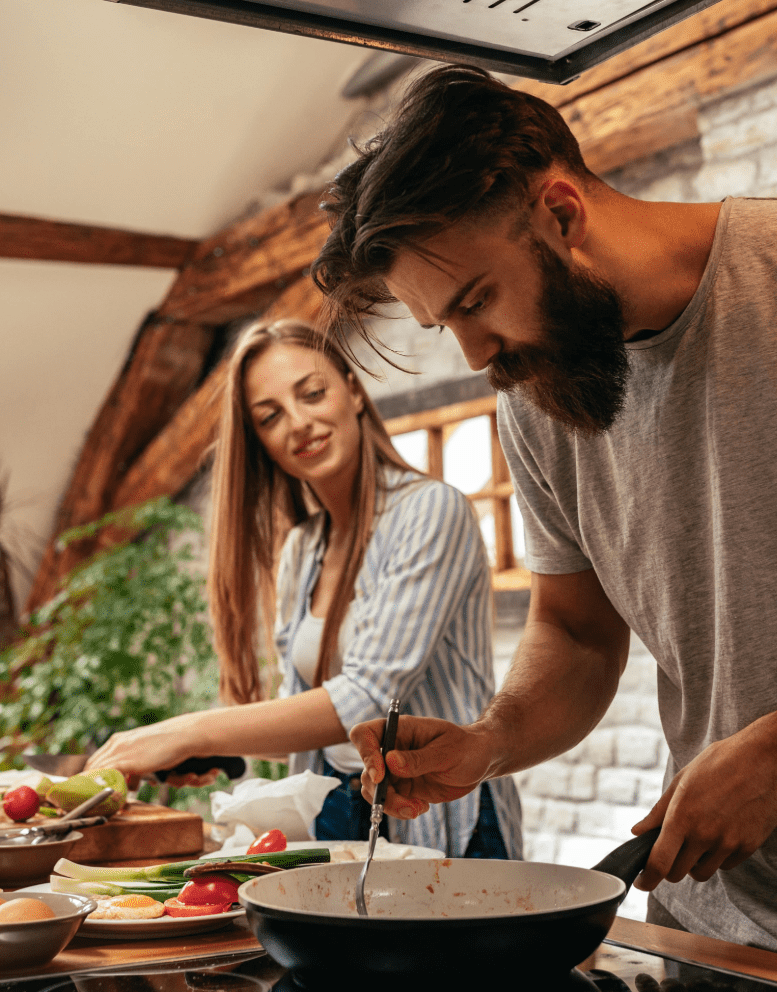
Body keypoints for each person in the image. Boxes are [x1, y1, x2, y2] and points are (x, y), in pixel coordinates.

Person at [308, 66, 777, 989]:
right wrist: (491, 739)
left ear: (560, 210)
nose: (476, 355)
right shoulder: (540, 399)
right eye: (446, 325)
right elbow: (578, 633)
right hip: (703, 929)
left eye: (475, 301)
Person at [86, 319, 520, 858]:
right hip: (340, 815)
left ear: (354, 391)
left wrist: (188, 732)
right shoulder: (303, 549)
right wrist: (226, 756)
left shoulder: (431, 512)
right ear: (261, 443)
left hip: (445, 821)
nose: (299, 423)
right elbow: (308, 714)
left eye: (312, 393)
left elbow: (367, 696)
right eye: (270, 417)